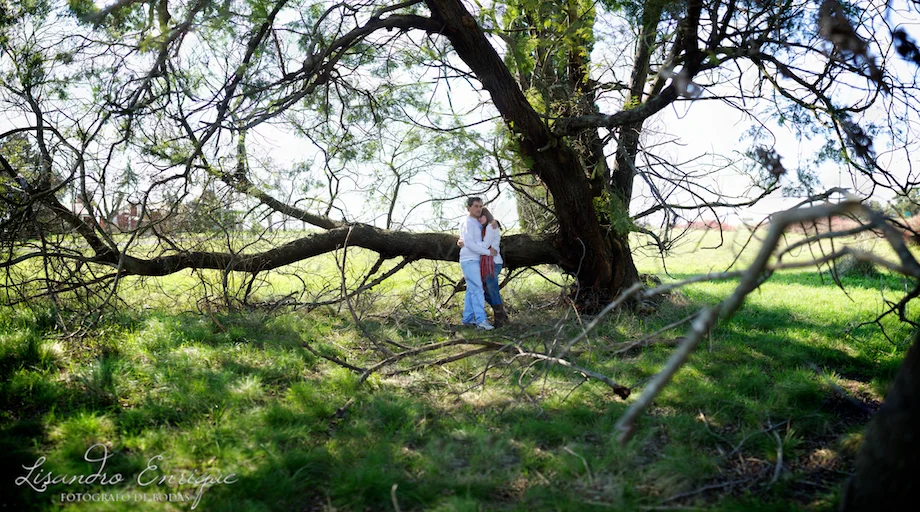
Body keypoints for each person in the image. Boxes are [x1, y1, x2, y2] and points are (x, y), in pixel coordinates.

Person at [458, 197, 495, 330]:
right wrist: (487, 251)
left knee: (471, 290)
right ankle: (481, 321)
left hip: (476, 260)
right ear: (468, 208)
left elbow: (472, 242)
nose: (479, 209)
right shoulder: (468, 221)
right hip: (469, 260)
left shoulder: (478, 222)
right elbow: (470, 244)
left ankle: (468, 319)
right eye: (476, 206)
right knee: (477, 289)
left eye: (480, 206)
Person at [479, 207, 509, 327]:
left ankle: (499, 319)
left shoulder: (491, 226)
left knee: (492, 289)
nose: (480, 218)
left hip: (493, 262)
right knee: (482, 290)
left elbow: (486, 245)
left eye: (482, 216)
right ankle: (502, 314)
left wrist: (469, 244)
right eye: (478, 217)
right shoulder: (484, 229)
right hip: (486, 263)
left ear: (487, 216)